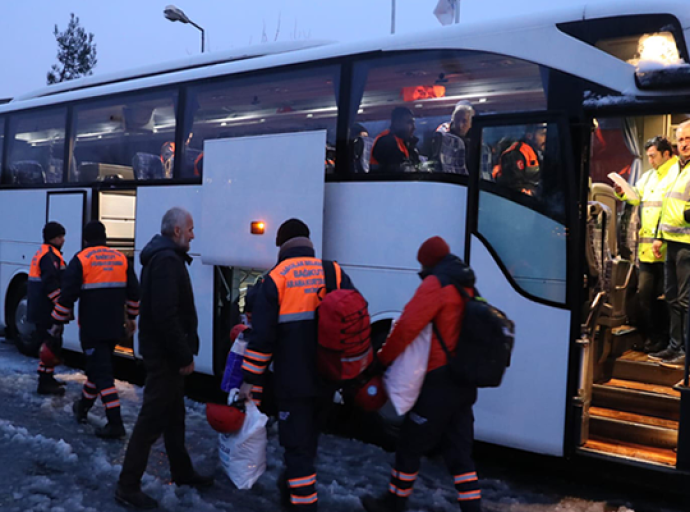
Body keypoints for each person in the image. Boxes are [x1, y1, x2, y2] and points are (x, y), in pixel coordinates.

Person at [238, 218, 355, 511]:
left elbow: (262, 340)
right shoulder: (334, 271)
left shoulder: (276, 279)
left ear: (281, 245)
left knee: (297, 450)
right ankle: (290, 487)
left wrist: (248, 382)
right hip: (327, 378)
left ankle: (302, 503)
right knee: (308, 441)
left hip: (293, 384)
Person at [361, 236, 480, 512]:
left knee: (410, 444)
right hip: (463, 382)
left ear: (428, 262)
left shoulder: (436, 284)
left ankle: (394, 502)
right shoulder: (466, 284)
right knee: (460, 454)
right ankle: (473, 508)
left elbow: (406, 327)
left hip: (439, 381)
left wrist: (382, 361)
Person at [116, 207, 213, 510]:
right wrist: (183, 354)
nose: (193, 235)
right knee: (151, 421)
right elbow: (166, 315)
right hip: (166, 358)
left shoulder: (164, 258)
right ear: (177, 232)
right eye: (191, 229)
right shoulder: (167, 261)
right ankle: (127, 485)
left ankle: (182, 471)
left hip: (164, 354)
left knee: (174, 418)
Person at [51, 221, 140, 438]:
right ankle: (82, 407)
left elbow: (67, 296)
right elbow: (134, 292)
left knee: (103, 375)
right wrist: (131, 318)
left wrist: (57, 322)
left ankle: (115, 422)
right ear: (105, 237)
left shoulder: (81, 259)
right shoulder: (120, 258)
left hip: (92, 329)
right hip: (114, 329)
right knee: (97, 369)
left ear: (86, 240)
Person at [614, 136, 677, 353]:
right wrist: (622, 192)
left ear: (666, 154)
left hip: (669, 247)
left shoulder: (677, 173)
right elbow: (636, 197)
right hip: (647, 249)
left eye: (653, 155)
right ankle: (654, 336)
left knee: (667, 298)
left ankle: (669, 340)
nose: (649, 160)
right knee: (644, 294)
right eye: (648, 156)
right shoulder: (649, 176)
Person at [651, 121, 690, 366]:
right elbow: (667, 205)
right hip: (671, 242)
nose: (684, 144)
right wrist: (659, 236)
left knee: (686, 300)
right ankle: (674, 346)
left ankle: (684, 350)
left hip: (688, 243)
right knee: (672, 298)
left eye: (688, 138)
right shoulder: (676, 168)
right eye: (681, 140)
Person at [28, 221, 67, 396]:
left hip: (40, 307)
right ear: (52, 238)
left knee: (49, 344)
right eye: (60, 236)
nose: (63, 240)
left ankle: (47, 377)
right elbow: (50, 283)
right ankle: (45, 383)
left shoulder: (45, 253)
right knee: (50, 344)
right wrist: (60, 305)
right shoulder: (50, 256)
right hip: (47, 309)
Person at [492, 123, 546, 196]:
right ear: (529, 136)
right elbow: (515, 188)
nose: (546, 138)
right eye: (543, 134)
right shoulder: (515, 154)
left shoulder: (542, 152)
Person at [370, 107, 421, 173]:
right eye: (409, 122)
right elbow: (397, 170)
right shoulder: (385, 142)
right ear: (397, 123)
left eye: (413, 123)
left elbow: (416, 165)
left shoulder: (406, 142)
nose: (414, 127)